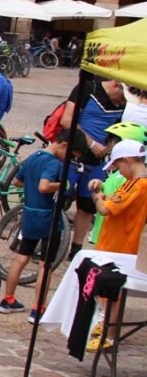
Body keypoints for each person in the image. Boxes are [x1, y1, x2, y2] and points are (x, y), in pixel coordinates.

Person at [85, 139, 147, 351]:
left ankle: (109, 336)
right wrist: (104, 193)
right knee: (112, 292)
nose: (118, 171)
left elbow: (105, 209)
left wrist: (96, 197)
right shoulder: (138, 184)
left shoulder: (135, 184)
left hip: (118, 246)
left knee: (114, 293)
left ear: (128, 161)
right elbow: (116, 202)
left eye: (118, 165)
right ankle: (107, 327)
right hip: (123, 245)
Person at [0, 136, 69, 316]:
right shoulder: (54, 163)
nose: (68, 158)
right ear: (64, 145)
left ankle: (8, 299)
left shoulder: (33, 157)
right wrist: (63, 185)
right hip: (48, 217)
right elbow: (44, 187)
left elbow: (17, 181)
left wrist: (32, 183)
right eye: (70, 153)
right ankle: (38, 309)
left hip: (29, 214)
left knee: (21, 258)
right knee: (45, 265)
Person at [58, 76, 125, 258]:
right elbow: (67, 120)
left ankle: (76, 250)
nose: (123, 103)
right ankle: (48, 243)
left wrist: (111, 148)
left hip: (96, 162)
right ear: (116, 85)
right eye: (123, 97)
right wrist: (92, 143)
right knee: (58, 200)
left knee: (87, 206)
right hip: (72, 155)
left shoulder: (123, 103)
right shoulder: (87, 88)